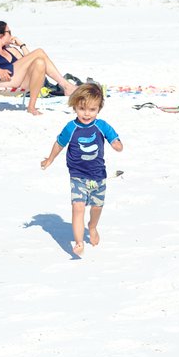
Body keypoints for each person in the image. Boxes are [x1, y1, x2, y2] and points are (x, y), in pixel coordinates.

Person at [41, 83, 123, 257]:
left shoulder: (102, 126)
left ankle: (92, 227)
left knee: (96, 207)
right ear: (75, 106)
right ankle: (79, 242)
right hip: (77, 175)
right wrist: (50, 158)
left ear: (98, 109)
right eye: (82, 108)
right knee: (78, 207)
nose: (87, 114)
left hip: (98, 175)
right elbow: (59, 144)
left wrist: (116, 144)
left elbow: (114, 139)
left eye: (92, 109)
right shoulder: (71, 128)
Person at [0, 20, 78, 115]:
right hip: (0, 81)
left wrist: (22, 45)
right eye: (9, 32)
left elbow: (31, 60)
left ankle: (31, 107)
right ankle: (66, 86)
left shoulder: (11, 50)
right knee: (39, 52)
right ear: (0, 36)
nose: (11, 35)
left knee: (39, 62)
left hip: (18, 80)